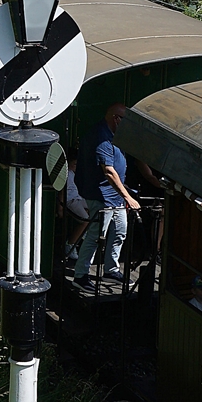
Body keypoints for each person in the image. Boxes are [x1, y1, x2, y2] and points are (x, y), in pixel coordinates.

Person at [73, 103, 140, 288]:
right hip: (102, 196)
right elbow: (109, 171)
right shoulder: (101, 137)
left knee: (120, 232)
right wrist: (128, 197)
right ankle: (80, 276)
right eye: (125, 120)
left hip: (115, 196)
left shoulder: (115, 135)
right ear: (115, 118)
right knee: (95, 236)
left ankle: (111, 270)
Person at [63, 152, 89, 261]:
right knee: (85, 220)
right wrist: (60, 208)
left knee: (94, 208)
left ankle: (83, 234)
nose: (76, 166)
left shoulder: (72, 174)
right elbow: (61, 191)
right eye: (74, 164)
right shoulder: (65, 175)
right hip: (70, 200)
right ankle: (70, 245)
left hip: (77, 198)